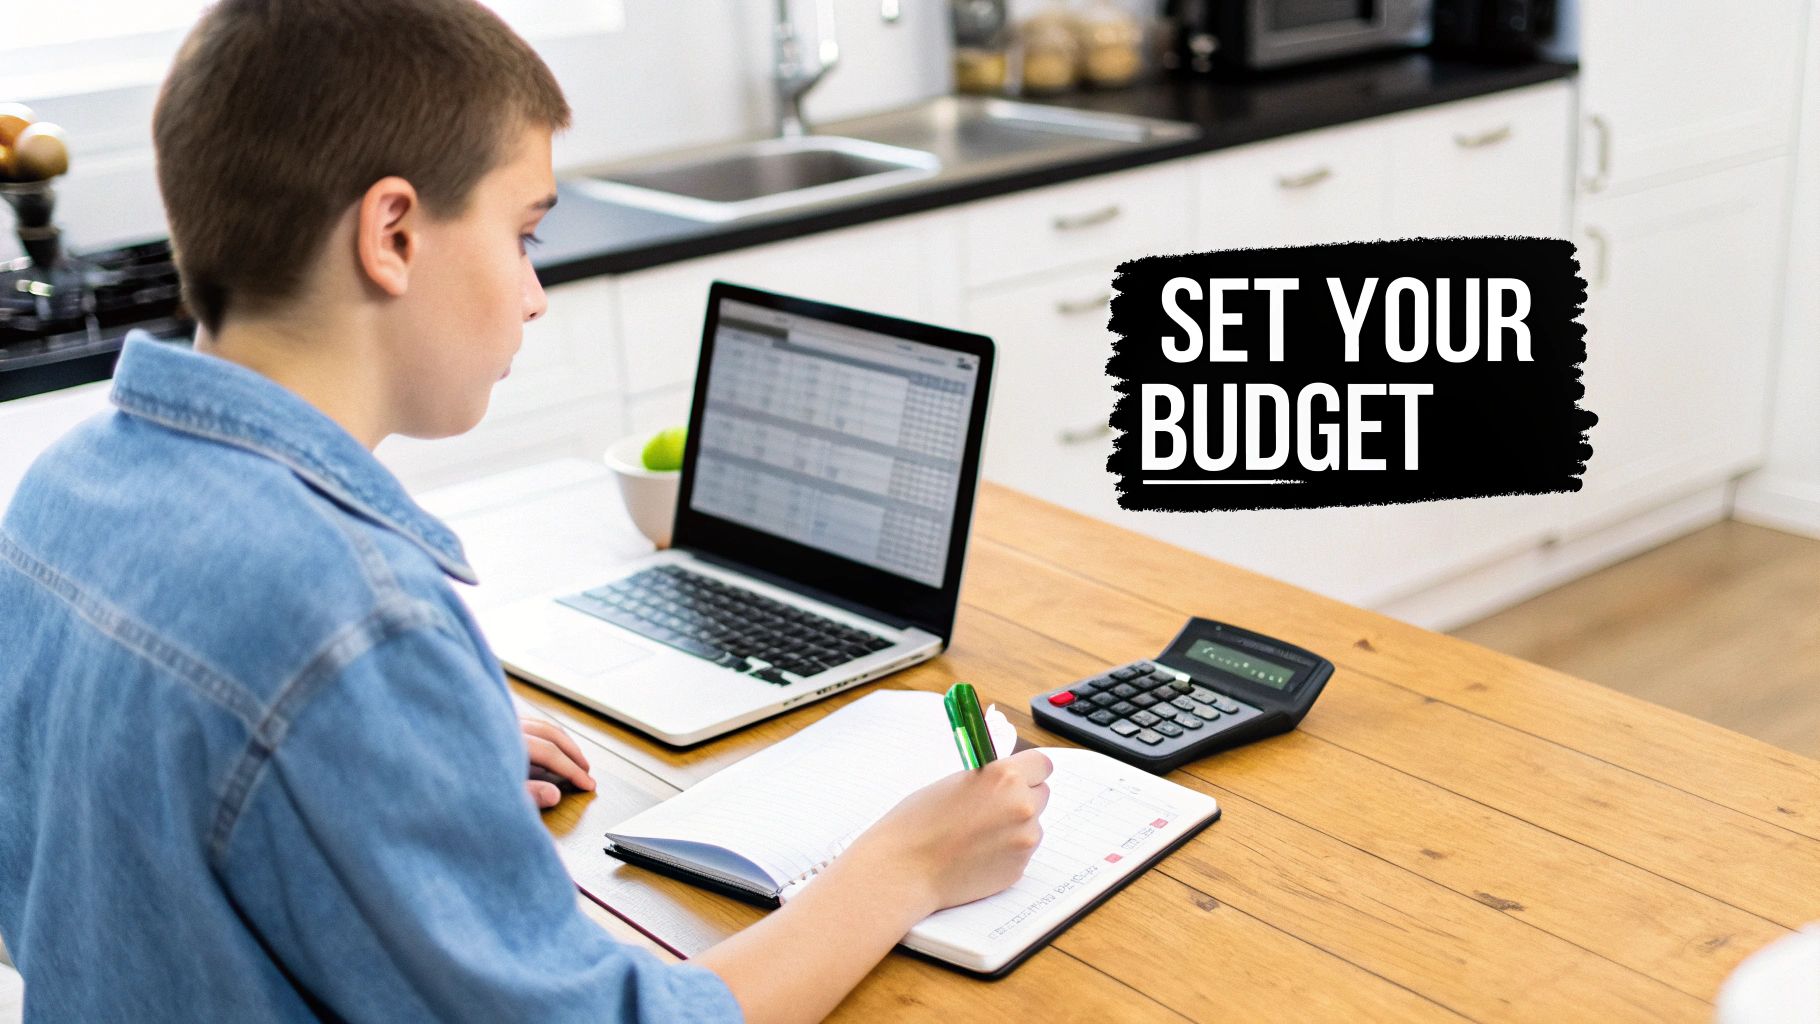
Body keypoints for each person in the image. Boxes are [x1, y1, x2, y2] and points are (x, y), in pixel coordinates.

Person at [0, 1, 1053, 1021]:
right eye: (524, 235)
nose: (533, 293)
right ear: (394, 235)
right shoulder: (356, 622)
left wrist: (394, 760)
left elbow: (48, 890)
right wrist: (903, 865)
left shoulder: (65, 490)